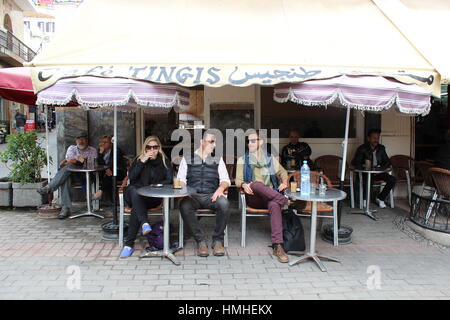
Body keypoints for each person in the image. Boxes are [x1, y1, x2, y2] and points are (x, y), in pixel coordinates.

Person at [235, 129, 290, 263]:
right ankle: (286, 201)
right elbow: (237, 180)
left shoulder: (270, 159)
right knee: (256, 184)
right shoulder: (243, 160)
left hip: (270, 198)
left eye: (253, 141)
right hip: (254, 197)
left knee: (274, 205)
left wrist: (285, 181)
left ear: (261, 142)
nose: (250, 143)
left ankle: (278, 246)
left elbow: (283, 172)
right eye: (249, 141)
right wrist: (243, 184)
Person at [178, 130, 231, 257]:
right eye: (211, 142)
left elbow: (226, 180)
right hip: (193, 196)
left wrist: (220, 189)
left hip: (211, 195)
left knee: (224, 204)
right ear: (202, 142)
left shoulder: (218, 159)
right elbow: (181, 180)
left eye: (215, 142)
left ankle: (217, 240)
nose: (214, 145)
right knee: (184, 205)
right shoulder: (187, 158)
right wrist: (185, 191)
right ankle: (200, 240)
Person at [120, 136, 173, 258]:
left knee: (137, 209)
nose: (152, 150)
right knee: (134, 190)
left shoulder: (164, 161)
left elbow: (169, 180)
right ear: (145, 148)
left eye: (155, 147)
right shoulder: (139, 159)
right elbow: (132, 178)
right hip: (133, 194)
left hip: (152, 197)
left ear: (159, 148)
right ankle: (144, 222)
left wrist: (154, 186)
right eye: (149, 147)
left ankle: (129, 244)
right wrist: (142, 161)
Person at [37, 134, 98, 219]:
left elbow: (91, 163)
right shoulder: (72, 148)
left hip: (85, 175)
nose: (81, 141)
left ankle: (50, 188)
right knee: (67, 176)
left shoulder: (92, 150)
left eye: (83, 139)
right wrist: (77, 159)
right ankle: (65, 208)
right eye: (79, 139)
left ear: (87, 140)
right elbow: (70, 159)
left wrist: (76, 160)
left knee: (69, 168)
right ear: (76, 141)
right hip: (71, 174)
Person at [352, 128, 396, 208]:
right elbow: (355, 162)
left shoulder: (381, 148)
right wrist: (364, 167)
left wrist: (381, 169)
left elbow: (387, 162)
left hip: (378, 172)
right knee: (369, 179)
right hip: (365, 173)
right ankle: (365, 200)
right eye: (374, 138)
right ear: (368, 138)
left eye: (377, 138)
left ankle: (380, 198)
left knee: (392, 179)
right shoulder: (362, 148)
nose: (376, 140)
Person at [93, 135, 127, 202]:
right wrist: (100, 154)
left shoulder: (116, 150)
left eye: (106, 142)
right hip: (105, 171)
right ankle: (109, 200)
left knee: (110, 176)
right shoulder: (100, 150)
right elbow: (98, 163)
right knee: (96, 176)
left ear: (111, 143)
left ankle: (100, 192)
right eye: (102, 142)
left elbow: (114, 163)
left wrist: (107, 169)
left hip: (118, 171)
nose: (103, 144)